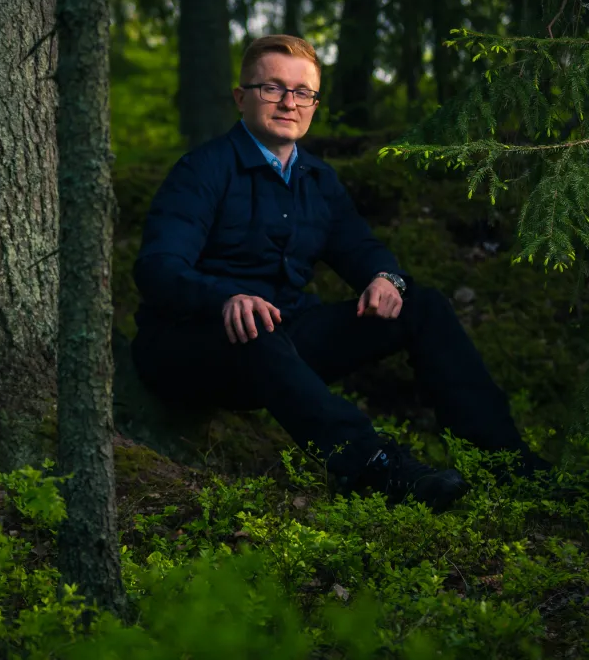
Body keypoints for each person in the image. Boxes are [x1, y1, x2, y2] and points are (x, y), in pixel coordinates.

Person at [130, 34, 549, 512]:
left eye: (302, 92)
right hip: (191, 345)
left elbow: (361, 248)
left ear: (313, 102)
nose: (289, 102)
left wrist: (385, 278)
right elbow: (158, 269)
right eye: (272, 89)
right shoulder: (201, 171)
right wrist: (226, 297)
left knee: (422, 306)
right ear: (241, 97)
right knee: (257, 327)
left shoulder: (318, 179)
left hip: (282, 338)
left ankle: (506, 463)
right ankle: (375, 465)